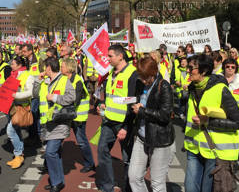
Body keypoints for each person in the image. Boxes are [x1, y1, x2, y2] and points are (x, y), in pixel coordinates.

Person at [184, 54, 239, 192]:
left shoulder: (220, 89)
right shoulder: (193, 89)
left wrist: (208, 122)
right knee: (190, 188)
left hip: (214, 151)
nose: (188, 70)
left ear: (203, 71)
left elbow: (237, 122)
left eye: (191, 68)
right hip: (194, 147)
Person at [128, 57, 175, 192]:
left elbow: (165, 115)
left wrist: (142, 111)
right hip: (142, 137)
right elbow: (138, 100)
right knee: (134, 177)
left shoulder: (163, 86)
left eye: (145, 77)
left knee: (157, 183)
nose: (143, 80)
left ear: (153, 73)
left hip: (159, 139)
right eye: (141, 77)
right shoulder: (141, 84)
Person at [96, 45, 139, 192]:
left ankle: (128, 187)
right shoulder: (110, 73)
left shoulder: (132, 73)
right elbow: (109, 95)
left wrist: (126, 127)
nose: (107, 59)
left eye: (110, 56)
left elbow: (132, 101)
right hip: (108, 121)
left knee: (127, 159)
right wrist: (102, 104)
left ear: (120, 56)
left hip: (124, 123)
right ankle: (108, 186)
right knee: (102, 151)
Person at [33, 57, 75, 192]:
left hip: (60, 122)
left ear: (49, 68)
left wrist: (55, 98)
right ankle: (58, 181)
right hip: (48, 123)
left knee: (50, 152)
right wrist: (38, 81)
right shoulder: (45, 81)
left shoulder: (64, 80)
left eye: (45, 67)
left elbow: (71, 97)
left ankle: (56, 182)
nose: (44, 70)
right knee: (55, 153)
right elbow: (35, 94)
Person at [61, 58, 95, 173]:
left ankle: (90, 163)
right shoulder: (65, 78)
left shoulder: (77, 81)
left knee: (81, 141)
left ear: (69, 68)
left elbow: (74, 100)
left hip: (78, 117)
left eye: (63, 66)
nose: (61, 67)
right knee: (57, 139)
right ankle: (50, 163)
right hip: (69, 114)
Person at [6, 56, 33, 169]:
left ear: (19, 65)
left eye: (12, 64)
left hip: (22, 107)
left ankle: (18, 154)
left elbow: (30, 93)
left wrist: (15, 95)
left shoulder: (28, 75)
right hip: (13, 106)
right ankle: (19, 155)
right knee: (16, 130)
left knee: (10, 131)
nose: (11, 66)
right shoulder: (13, 75)